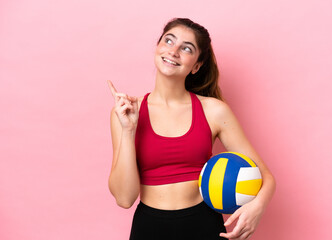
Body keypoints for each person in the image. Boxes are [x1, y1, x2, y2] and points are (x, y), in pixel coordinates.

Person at [107, 18, 276, 240]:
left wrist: (257, 208)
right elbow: (124, 198)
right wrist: (129, 130)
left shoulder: (214, 111)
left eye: (186, 48)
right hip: (149, 227)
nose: (174, 51)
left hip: (203, 224)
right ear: (157, 47)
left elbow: (266, 177)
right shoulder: (127, 111)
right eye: (169, 41)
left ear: (196, 65)